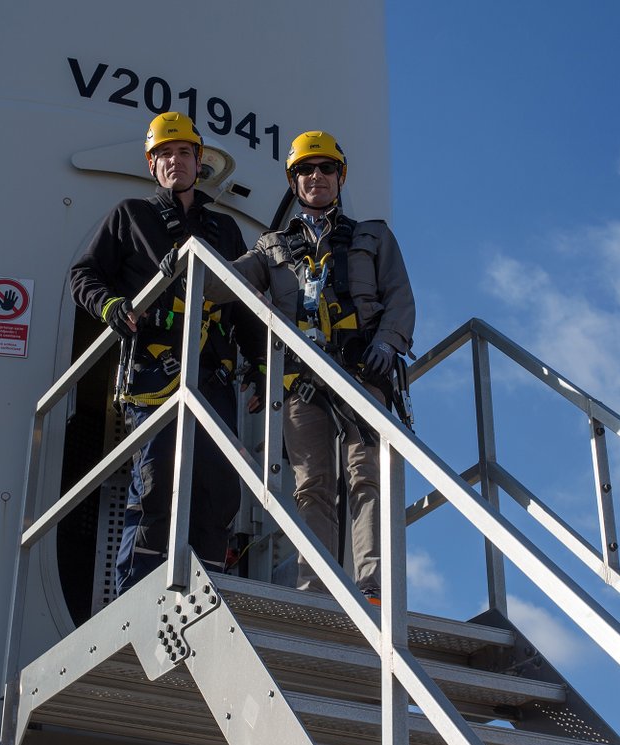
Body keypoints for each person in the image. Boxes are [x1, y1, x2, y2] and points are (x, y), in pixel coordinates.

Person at [69, 111, 254, 594]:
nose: (175, 161)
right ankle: (139, 593)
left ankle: (210, 589)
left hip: (212, 376)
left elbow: (243, 307)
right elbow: (83, 275)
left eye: (184, 153)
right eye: (165, 154)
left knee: (217, 488)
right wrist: (109, 305)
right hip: (155, 373)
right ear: (153, 165)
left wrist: (257, 367)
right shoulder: (131, 217)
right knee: (155, 483)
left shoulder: (225, 231)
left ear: (199, 162)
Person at [229, 131, 415, 603]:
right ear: (294, 181)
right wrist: (182, 265)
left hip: (362, 375)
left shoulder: (373, 236)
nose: (317, 177)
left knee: (366, 476)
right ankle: (318, 589)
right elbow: (224, 282)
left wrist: (389, 345)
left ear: (340, 177)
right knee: (311, 486)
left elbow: (399, 298)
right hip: (303, 384)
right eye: (306, 170)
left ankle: (371, 587)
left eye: (326, 169)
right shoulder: (271, 248)